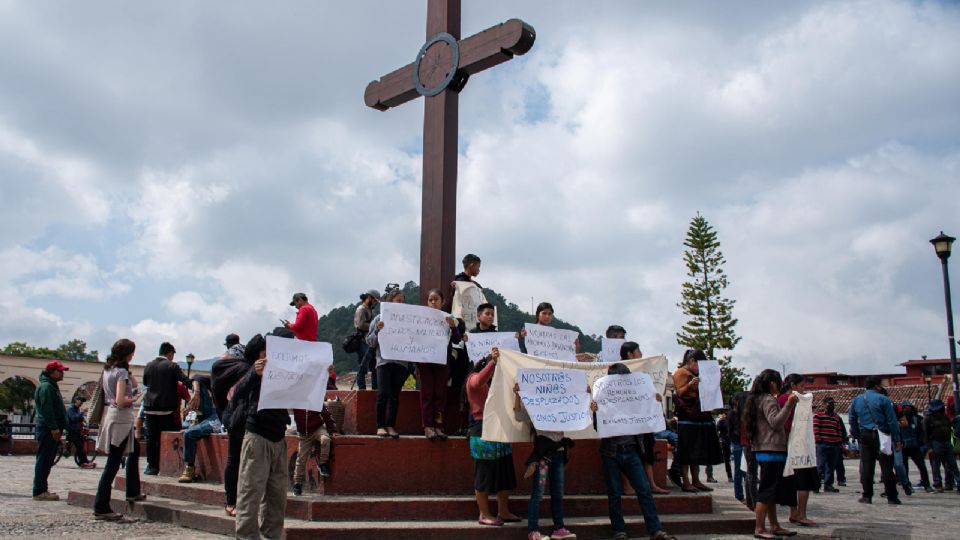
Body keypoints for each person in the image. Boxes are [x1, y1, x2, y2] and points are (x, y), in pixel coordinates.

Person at [591, 363, 676, 540]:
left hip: (631, 450)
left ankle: (655, 530)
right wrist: (595, 412)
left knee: (644, 490)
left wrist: (655, 403)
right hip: (611, 452)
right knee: (614, 493)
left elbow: (649, 420)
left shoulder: (637, 396)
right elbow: (599, 427)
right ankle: (619, 530)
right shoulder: (602, 399)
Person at [233, 332, 291, 540]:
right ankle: (247, 536)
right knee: (251, 492)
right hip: (257, 436)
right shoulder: (251, 373)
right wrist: (253, 374)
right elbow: (236, 393)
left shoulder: (283, 371)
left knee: (277, 496)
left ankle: (272, 536)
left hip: (279, 437)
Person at [513, 380, 575, 540]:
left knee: (558, 493)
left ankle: (559, 527)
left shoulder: (563, 402)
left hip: (560, 453)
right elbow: (519, 416)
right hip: (543, 456)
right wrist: (517, 395)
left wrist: (584, 395)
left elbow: (578, 411)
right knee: (538, 494)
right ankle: (533, 531)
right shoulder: (536, 404)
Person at [466, 348, 520, 526]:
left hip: (501, 428)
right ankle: (484, 514)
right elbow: (477, 382)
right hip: (482, 428)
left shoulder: (501, 383)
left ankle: (503, 511)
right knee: (484, 472)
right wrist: (493, 363)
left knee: (504, 471)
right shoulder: (472, 379)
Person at [742, 369, 797, 539]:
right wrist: (789, 404)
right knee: (766, 490)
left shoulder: (756, 399)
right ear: (773, 383)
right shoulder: (768, 400)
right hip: (772, 449)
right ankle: (759, 528)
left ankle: (774, 525)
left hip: (763, 449)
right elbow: (776, 422)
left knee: (770, 490)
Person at [92, 339, 144, 520]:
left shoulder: (108, 370)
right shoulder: (120, 372)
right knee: (113, 463)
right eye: (131, 353)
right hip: (120, 418)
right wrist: (136, 398)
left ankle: (132, 490)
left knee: (133, 451)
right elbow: (122, 400)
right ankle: (101, 506)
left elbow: (134, 382)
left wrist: (128, 372)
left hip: (111, 415)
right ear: (127, 353)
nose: (133, 356)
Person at [620, 341, 669, 494]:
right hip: (626, 421)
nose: (641, 354)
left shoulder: (643, 372)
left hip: (644, 420)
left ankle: (652, 484)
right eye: (638, 351)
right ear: (630, 354)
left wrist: (656, 397)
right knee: (625, 454)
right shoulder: (617, 370)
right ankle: (627, 486)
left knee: (648, 452)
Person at [671, 349, 723, 492]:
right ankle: (686, 481)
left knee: (697, 451)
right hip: (687, 416)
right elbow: (679, 392)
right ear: (692, 361)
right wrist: (690, 386)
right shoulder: (680, 373)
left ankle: (696, 480)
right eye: (699, 365)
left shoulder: (697, 374)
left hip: (700, 414)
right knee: (687, 451)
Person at [213, 337, 252, 516]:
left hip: (231, 418)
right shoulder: (244, 371)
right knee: (240, 460)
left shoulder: (221, 370)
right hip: (241, 419)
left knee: (233, 459)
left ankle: (231, 501)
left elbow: (219, 398)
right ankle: (233, 501)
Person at [848, 375, 901, 504]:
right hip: (882, 434)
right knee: (887, 467)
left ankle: (867, 496)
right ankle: (892, 497)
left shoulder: (857, 400)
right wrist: (897, 438)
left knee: (867, 467)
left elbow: (852, 419)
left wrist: (856, 434)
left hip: (864, 434)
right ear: (877, 386)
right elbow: (892, 421)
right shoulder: (883, 399)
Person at [366, 285, 410, 438]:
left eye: (403, 301)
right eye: (398, 301)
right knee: (383, 393)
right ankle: (380, 426)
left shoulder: (407, 321)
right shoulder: (379, 318)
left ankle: (391, 425)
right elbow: (370, 343)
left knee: (395, 396)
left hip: (401, 363)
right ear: (390, 301)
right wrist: (378, 330)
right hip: (383, 361)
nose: (401, 304)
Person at [419, 288, 463, 440]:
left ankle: (438, 425)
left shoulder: (448, 318)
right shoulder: (421, 318)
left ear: (442, 302)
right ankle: (428, 426)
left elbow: (457, 340)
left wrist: (452, 326)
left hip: (442, 362)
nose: (432, 302)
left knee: (440, 394)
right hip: (425, 362)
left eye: (435, 299)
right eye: (430, 300)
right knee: (427, 393)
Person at [142, 342, 190, 475]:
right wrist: (196, 385)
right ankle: (167, 465)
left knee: (151, 439)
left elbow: (146, 383)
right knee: (167, 438)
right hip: (166, 409)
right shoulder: (172, 366)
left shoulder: (148, 365)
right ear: (170, 353)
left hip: (149, 408)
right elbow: (184, 380)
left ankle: (152, 466)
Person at [777, 374, 817, 526]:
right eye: (801, 386)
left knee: (791, 481)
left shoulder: (780, 399)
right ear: (793, 385)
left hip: (786, 444)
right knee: (803, 482)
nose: (803, 389)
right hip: (797, 445)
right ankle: (801, 514)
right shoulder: (792, 400)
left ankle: (794, 513)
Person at [32, 360, 70, 501]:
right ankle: (39, 490)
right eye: (60, 371)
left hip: (51, 428)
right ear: (51, 372)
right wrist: (54, 428)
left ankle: (42, 488)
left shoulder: (50, 386)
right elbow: (47, 410)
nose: (62, 373)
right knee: (44, 459)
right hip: (48, 428)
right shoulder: (47, 387)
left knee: (47, 460)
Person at [178, 375, 221, 483]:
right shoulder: (215, 378)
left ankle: (190, 468)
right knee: (199, 384)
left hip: (219, 418)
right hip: (208, 414)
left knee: (189, 434)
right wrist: (196, 393)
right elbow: (197, 377)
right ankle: (190, 468)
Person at [291, 401, 337, 496]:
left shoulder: (316, 398)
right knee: (301, 458)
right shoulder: (295, 400)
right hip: (304, 434)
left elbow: (326, 415)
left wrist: (332, 430)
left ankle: (323, 463)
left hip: (317, 429)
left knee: (325, 439)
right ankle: (297, 483)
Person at [924, 399, 959, 493]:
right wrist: (929, 448)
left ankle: (953, 483)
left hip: (947, 443)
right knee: (936, 465)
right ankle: (938, 484)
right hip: (936, 443)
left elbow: (950, 429)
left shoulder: (945, 417)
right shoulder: (928, 419)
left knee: (952, 464)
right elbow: (926, 435)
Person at [898, 401, 931, 492]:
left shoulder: (917, 419)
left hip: (915, 446)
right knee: (904, 468)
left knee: (922, 466)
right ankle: (907, 485)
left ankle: (926, 484)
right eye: (905, 407)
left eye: (908, 407)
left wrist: (920, 443)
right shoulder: (899, 420)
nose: (907, 409)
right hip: (903, 446)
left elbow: (921, 432)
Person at [729, 390, 755, 507]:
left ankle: (740, 495)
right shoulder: (744, 414)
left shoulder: (734, 414)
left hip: (737, 443)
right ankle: (744, 495)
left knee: (740, 471)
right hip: (741, 443)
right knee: (745, 471)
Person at [813, 397, 844, 493]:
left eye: (832, 403)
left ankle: (828, 485)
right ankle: (816, 486)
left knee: (831, 466)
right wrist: (818, 440)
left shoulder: (836, 417)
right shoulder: (818, 415)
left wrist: (839, 441)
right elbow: (816, 428)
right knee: (820, 466)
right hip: (823, 444)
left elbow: (839, 430)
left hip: (834, 444)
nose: (831, 405)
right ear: (824, 404)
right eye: (829, 403)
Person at [354, 290, 380, 390]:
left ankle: (375, 389)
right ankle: (362, 389)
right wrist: (374, 326)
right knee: (363, 367)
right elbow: (360, 325)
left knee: (374, 367)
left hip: (370, 341)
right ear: (369, 298)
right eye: (374, 301)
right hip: (362, 341)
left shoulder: (370, 310)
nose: (375, 304)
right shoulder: (361, 309)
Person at [66, 396, 96, 469]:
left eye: (82, 401)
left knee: (82, 446)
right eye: (80, 401)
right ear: (76, 400)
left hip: (77, 431)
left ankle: (85, 461)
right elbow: (74, 419)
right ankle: (82, 463)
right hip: (72, 431)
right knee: (79, 446)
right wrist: (82, 413)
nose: (81, 403)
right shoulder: (71, 409)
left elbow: (80, 419)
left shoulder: (77, 409)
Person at [716, 410, 733, 482]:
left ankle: (743, 475)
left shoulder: (731, 420)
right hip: (725, 441)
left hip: (731, 440)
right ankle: (729, 476)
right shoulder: (721, 422)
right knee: (727, 459)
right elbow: (717, 429)